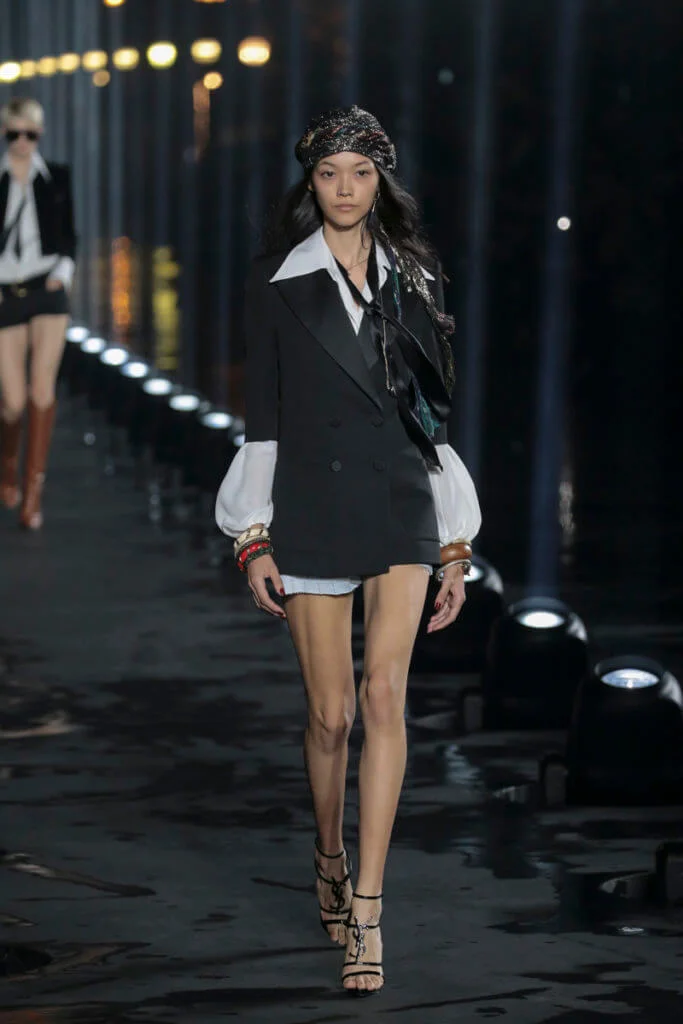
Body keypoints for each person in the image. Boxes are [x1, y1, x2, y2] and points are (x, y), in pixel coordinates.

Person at [216, 106, 481, 996]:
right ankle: (327, 851)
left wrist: (454, 542)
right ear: (311, 181)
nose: (343, 188)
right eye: (329, 173)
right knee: (329, 716)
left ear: (379, 183)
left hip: (400, 499)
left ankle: (368, 909)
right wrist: (252, 535)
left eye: (359, 174)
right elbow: (263, 419)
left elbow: (432, 417)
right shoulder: (277, 282)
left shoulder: (416, 275)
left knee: (383, 698)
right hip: (311, 503)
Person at [0, 97, 76, 530]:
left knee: (41, 391)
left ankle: (33, 494)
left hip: (47, 292)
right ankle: (8, 461)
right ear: (5, 133)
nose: (22, 141)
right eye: (14, 133)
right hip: (6, 295)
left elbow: (70, 236)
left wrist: (62, 275)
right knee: (12, 401)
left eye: (29, 133)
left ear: (40, 134)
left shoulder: (57, 177)